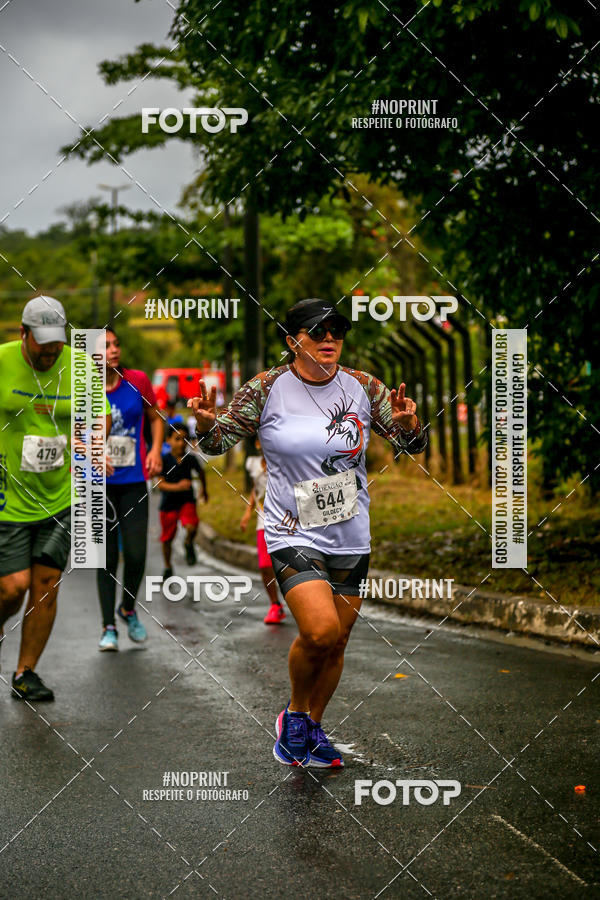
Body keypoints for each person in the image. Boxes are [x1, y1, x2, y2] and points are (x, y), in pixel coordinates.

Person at [189, 298, 427, 768]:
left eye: (337, 330)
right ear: (292, 341)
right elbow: (216, 444)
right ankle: (295, 715)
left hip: (350, 529)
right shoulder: (267, 388)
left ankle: (313, 726)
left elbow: (413, 445)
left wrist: (409, 424)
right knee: (320, 631)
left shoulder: (363, 387)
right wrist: (204, 424)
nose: (329, 338)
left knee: (338, 640)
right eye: (317, 331)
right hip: (290, 528)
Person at [0, 296, 111, 699]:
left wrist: (94, 447)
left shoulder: (79, 366)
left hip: (61, 496)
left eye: (56, 342)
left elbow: (99, 416)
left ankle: (25, 672)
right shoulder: (3, 361)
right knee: (13, 587)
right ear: (23, 333)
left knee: (45, 584)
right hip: (8, 497)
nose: (50, 350)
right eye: (42, 341)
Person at [96, 328, 163, 651]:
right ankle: (108, 627)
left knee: (136, 554)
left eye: (116, 344)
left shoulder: (137, 380)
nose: (114, 350)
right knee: (106, 558)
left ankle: (127, 608)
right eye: (105, 346)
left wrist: (155, 450)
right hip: (97, 484)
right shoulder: (83, 389)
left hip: (134, 480)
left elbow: (155, 417)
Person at [240, 437, 286, 625]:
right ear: (257, 444)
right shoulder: (252, 464)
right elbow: (255, 489)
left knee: (287, 566)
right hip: (263, 522)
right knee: (265, 566)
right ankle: (275, 605)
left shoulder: (284, 462)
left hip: (286, 521)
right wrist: (247, 512)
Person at [156, 422, 207, 576]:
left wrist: (204, 490)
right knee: (167, 539)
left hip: (187, 501)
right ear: (168, 440)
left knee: (192, 526)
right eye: (177, 439)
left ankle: (188, 542)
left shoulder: (190, 459)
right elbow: (160, 484)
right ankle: (167, 566)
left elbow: (201, 473)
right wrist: (177, 486)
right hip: (168, 504)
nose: (181, 443)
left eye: (184, 440)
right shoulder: (164, 460)